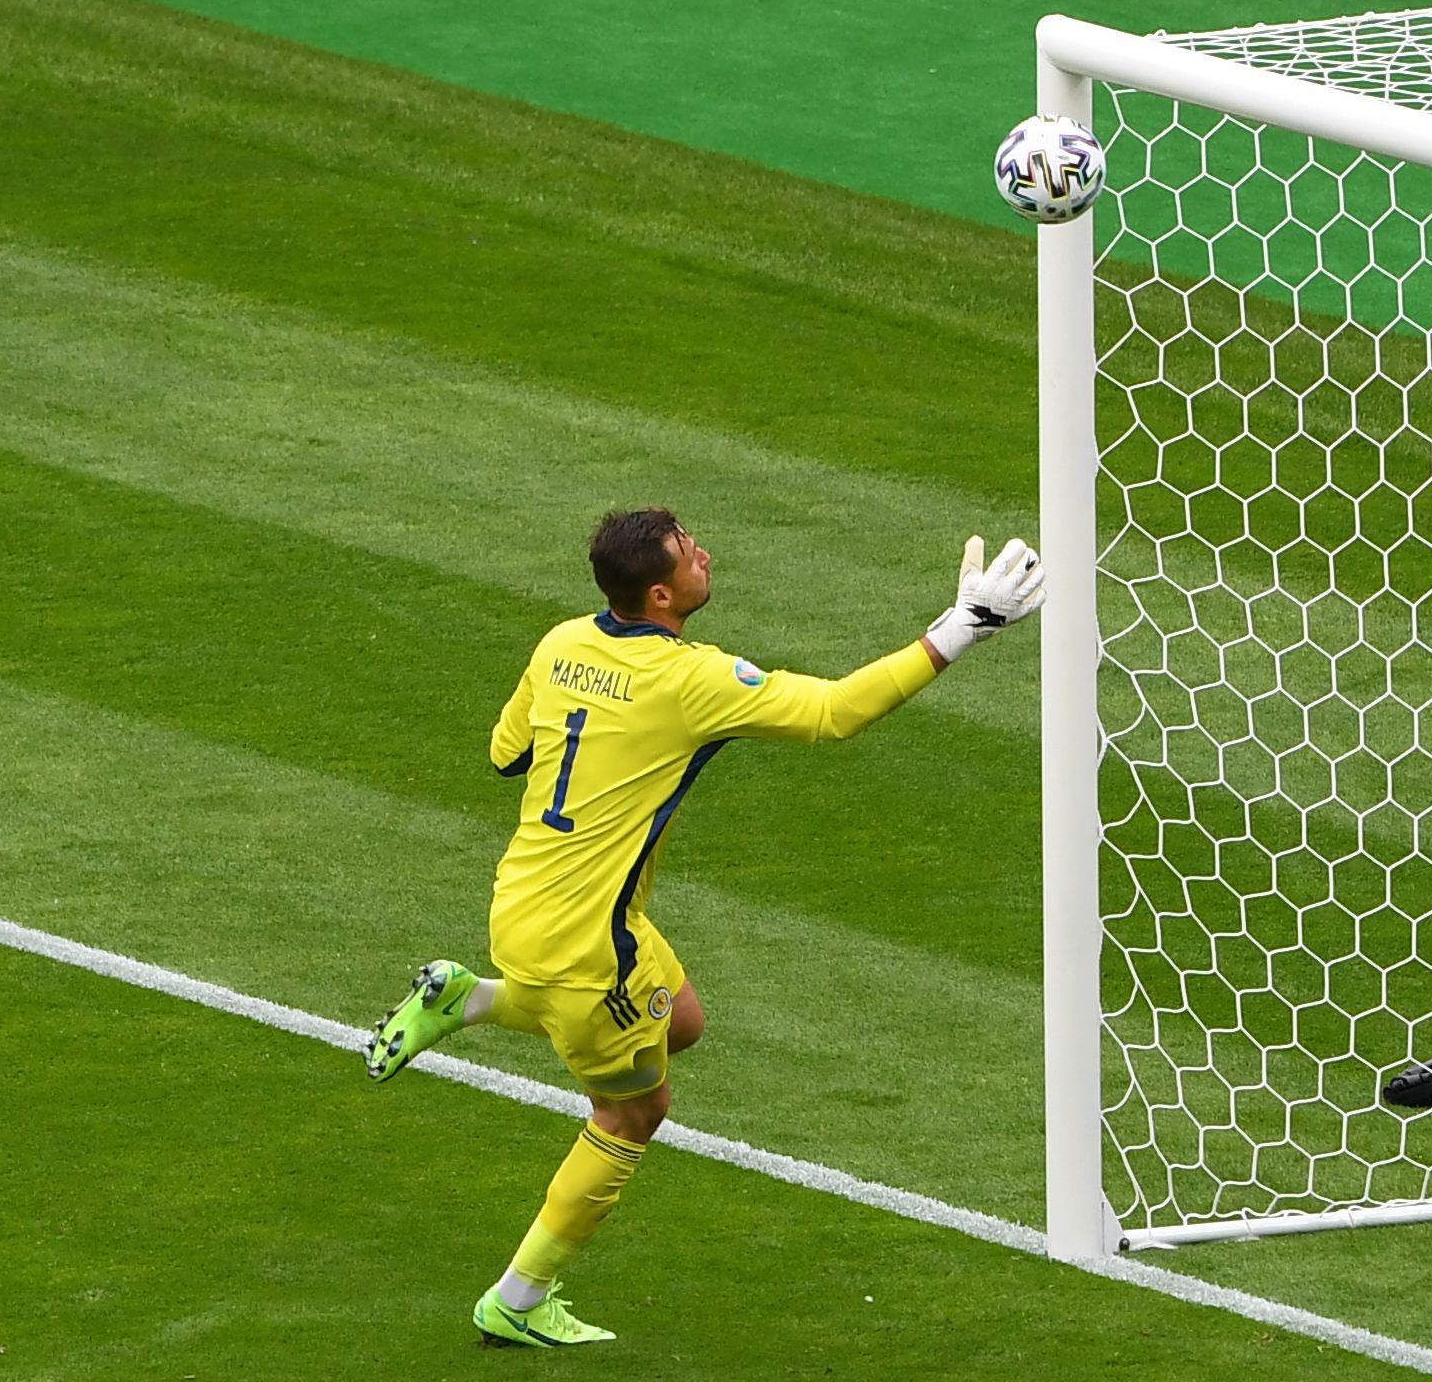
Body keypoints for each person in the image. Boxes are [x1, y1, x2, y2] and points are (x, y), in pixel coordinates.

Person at [363, 507, 1045, 1346]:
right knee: (632, 1115)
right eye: (691, 554)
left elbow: (506, 754)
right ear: (661, 592)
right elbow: (834, 713)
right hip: (588, 951)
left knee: (681, 1021)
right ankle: (520, 1297)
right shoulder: (693, 679)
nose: (706, 556)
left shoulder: (561, 642)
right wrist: (964, 627)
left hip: (524, 901)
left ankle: (469, 999)